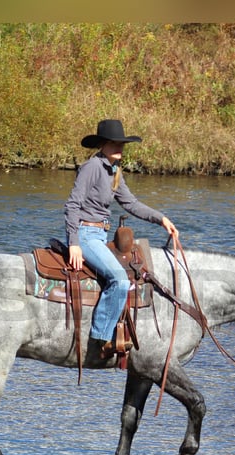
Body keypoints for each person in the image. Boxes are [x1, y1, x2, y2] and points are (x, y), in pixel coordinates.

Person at [64, 119, 179, 359]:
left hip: (100, 234)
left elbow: (131, 204)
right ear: (103, 144)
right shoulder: (92, 167)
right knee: (119, 279)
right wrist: (74, 243)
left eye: (122, 144)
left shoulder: (114, 171)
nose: (119, 147)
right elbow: (73, 204)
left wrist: (162, 219)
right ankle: (101, 338)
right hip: (86, 234)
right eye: (114, 143)